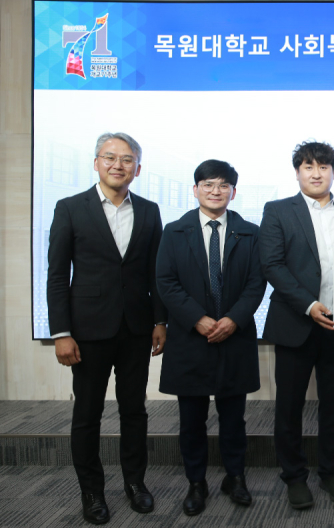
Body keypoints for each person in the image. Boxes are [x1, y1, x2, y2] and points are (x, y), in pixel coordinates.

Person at [47, 132, 167, 524]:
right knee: (87, 414)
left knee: (135, 410)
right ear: (96, 162)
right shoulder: (70, 208)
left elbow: (155, 273)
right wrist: (61, 332)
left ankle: (135, 483)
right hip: (87, 331)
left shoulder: (149, 211)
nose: (119, 165)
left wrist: (160, 320)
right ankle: (92, 491)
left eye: (127, 159)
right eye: (110, 157)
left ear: (137, 168)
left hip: (136, 328)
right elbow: (56, 275)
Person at [156, 159, 267, 516]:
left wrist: (233, 319)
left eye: (223, 185)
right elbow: (166, 282)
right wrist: (197, 319)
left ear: (233, 191)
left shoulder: (250, 232)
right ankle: (196, 482)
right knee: (192, 420)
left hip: (235, 337)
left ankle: (235, 477)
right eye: (208, 184)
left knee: (234, 418)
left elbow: (257, 283)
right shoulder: (174, 231)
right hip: (190, 339)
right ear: (195, 189)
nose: (215, 191)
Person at [259, 141, 334, 509]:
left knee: (333, 404)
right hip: (296, 323)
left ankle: (332, 472)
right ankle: (294, 476)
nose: (316, 173)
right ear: (297, 172)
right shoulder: (277, 211)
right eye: (308, 166)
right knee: (289, 406)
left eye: (323, 166)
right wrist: (308, 305)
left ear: (333, 171)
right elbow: (272, 265)